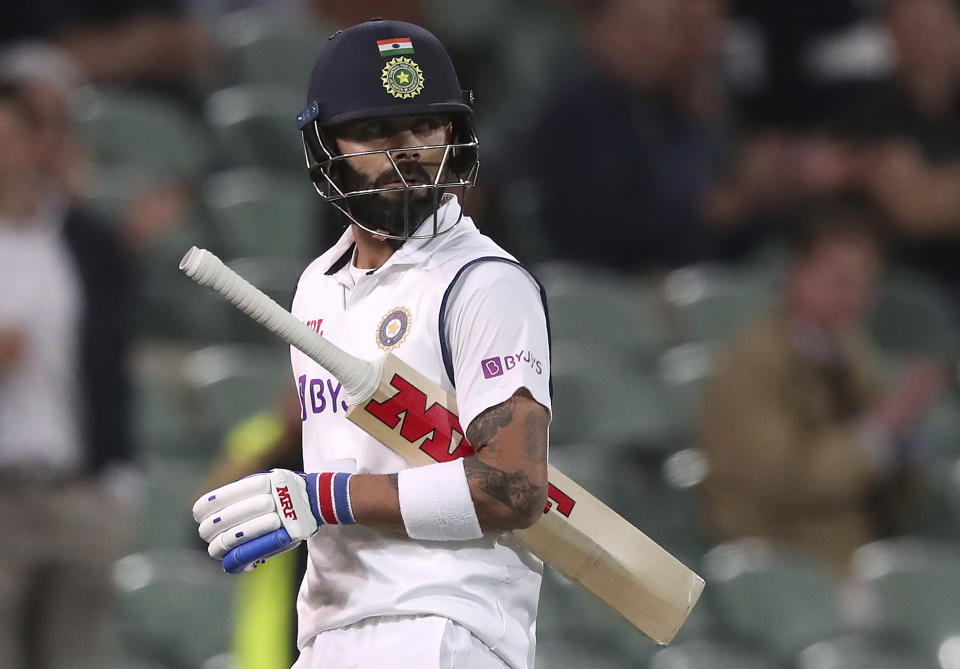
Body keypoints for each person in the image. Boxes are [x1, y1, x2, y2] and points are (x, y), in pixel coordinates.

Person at [192, 20, 552, 669]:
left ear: (456, 135)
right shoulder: (316, 290)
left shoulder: (484, 283)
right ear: (324, 145)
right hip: (334, 630)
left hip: (446, 624)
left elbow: (513, 487)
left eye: (425, 127)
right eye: (376, 131)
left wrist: (321, 496)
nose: (406, 150)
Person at [698, 197, 945, 574]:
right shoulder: (754, 362)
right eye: (839, 280)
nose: (853, 297)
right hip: (781, 557)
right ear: (799, 273)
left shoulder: (851, 349)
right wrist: (880, 431)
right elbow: (787, 481)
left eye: (865, 283)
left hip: (853, 549)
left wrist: (905, 434)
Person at [0, 78, 136, 667]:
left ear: (39, 141)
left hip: (79, 487)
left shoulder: (87, 241)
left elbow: (112, 358)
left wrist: (119, 475)